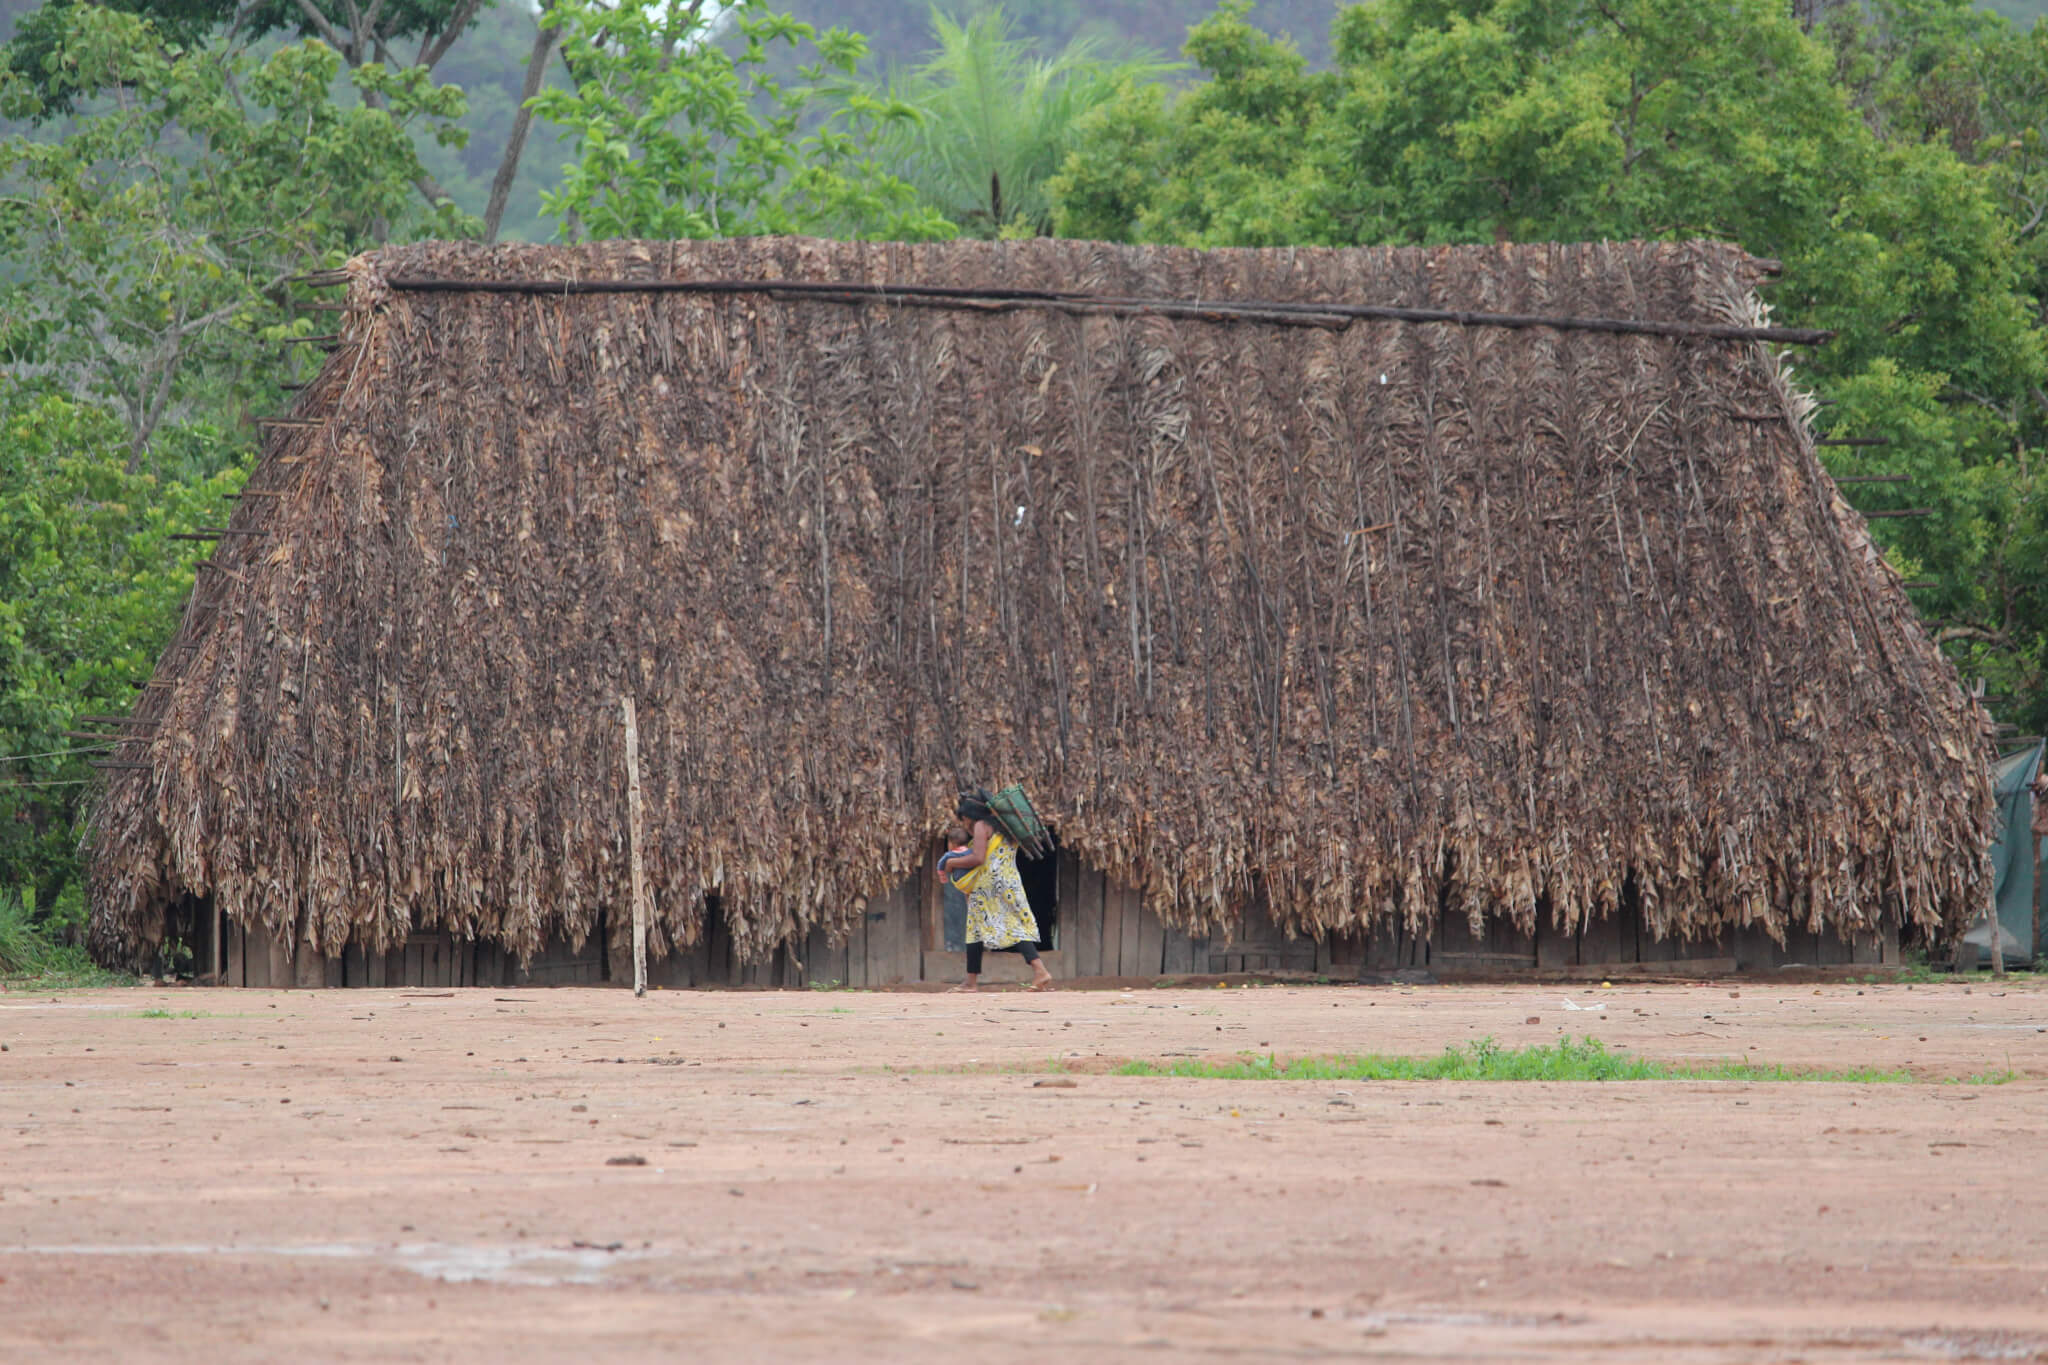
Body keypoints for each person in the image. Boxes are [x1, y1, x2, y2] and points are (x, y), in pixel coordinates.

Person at [943, 789, 1053, 992]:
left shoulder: (980, 826)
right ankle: (973, 980)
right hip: (1010, 880)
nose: (965, 824)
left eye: (964, 819)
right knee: (999, 926)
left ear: (969, 816)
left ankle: (1038, 971)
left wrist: (951, 862)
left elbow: (978, 858)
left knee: (982, 928)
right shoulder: (1004, 825)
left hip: (990, 884)